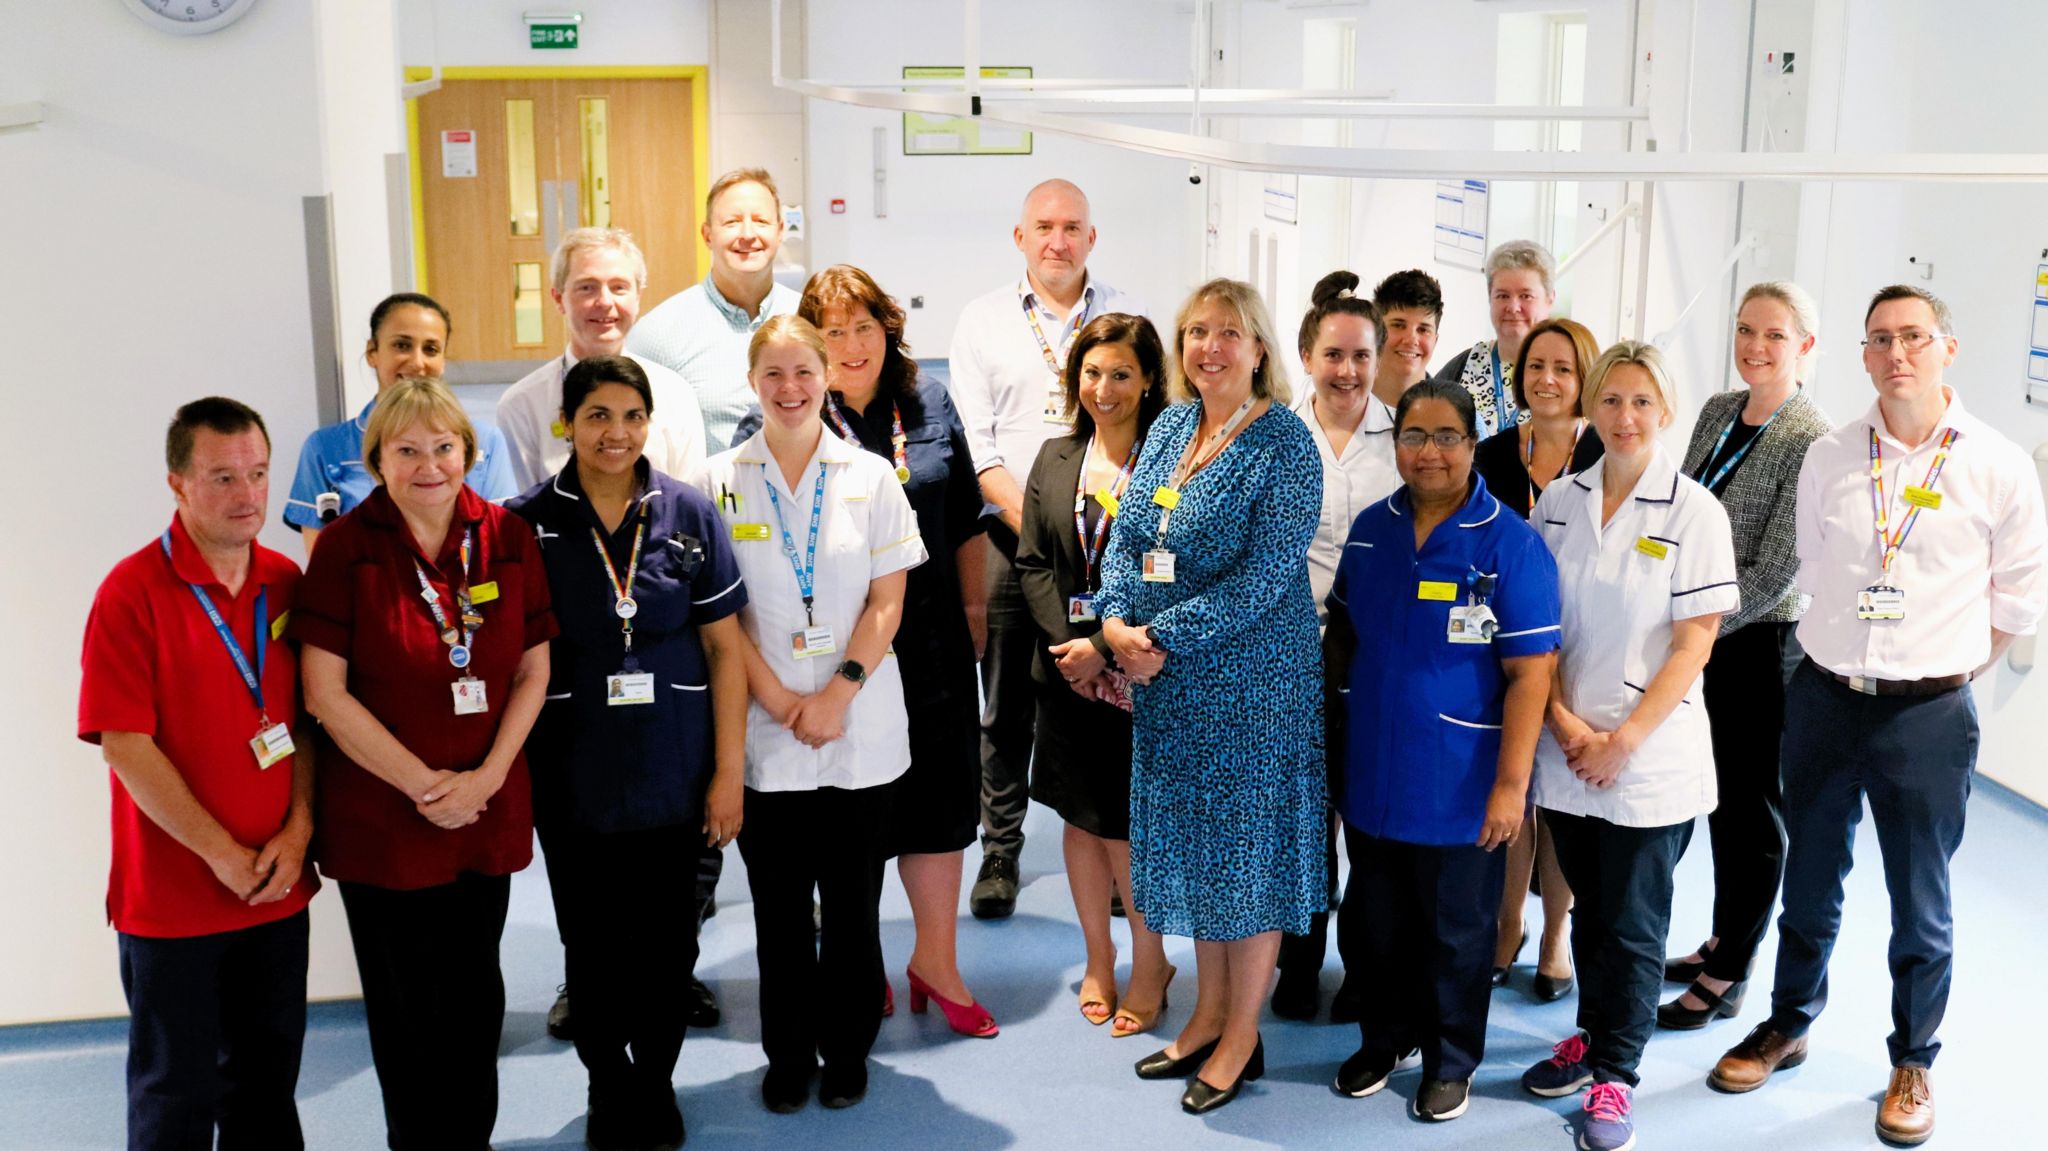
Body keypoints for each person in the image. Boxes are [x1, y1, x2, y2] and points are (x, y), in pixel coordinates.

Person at [1708, 286, 2048, 1146]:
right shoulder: (1829, 454)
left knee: (1920, 901)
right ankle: (1787, 1023)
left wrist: (1944, 666)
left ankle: (1912, 1057)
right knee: (1811, 883)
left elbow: (2018, 600)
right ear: (1861, 355)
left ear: (1948, 347)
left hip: (1928, 716)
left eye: (1915, 337)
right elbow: (1815, 573)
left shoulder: (1997, 464)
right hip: (1823, 699)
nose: (1898, 354)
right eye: (1882, 340)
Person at [292, 377, 555, 1151]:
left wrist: (484, 779)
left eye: (444, 447)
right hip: (384, 823)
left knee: (476, 994)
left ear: (469, 455)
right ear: (377, 461)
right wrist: (423, 784)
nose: (429, 464)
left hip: (484, 812)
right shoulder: (346, 547)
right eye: (407, 450)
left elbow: (533, 671)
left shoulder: (506, 536)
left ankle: (470, 1141)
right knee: (405, 1007)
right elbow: (323, 691)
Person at [735, 266, 996, 1036]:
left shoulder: (928, 403)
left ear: (890, 332)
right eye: (833, 332)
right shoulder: (793, 414)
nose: (851, 346)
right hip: (834, 653)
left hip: (934, 638)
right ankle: (862, 960)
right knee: (855, 812)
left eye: (865, 328)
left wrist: (976, 615)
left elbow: (966, 518)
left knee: (941, 805)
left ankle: (936, 962)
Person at [1094, 279, 1325, 1115]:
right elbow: (1127, 536)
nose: (1210, 348)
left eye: (1229, 332)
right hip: (1170, 686)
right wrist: (1115, 619)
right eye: (1196, 332)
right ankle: (1205, 1015)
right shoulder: (1167, 426)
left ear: (1260, 348)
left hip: (1254, 683)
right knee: (1196, 851)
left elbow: (1265, 578)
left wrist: (1155, 641)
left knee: (1246, 859)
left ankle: (1241, 1037)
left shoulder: (1286, 445)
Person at [507, 355, 749, 1150]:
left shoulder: (686, 512)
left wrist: (727, 774)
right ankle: (608, 1079)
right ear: (566, 425)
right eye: (597, 416)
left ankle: (656, 1080)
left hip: (674, 769)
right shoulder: (526, 523)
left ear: (651, 423)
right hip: (572, 771)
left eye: (631, 416)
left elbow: (724, 651)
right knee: (592, 944)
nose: (616, 433)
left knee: (669, 943)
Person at [690, 316, 926, 1113]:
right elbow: (721, 618)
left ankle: (848, 1046)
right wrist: (780, 696)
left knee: (856, 904)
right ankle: (788, 1051)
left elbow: (889, 600)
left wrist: (838, 691)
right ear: (751, 383)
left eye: (803, 373)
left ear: (827, 377)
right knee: (779, 910)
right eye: (773, 375)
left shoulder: (870, 476)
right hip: (765, 728)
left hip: (858, 726)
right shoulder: (718, 481)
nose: (789, 390)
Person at [80, 398, 318, 1151]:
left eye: (257, 473)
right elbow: (126, 745)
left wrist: (300, 827)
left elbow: (308, 724)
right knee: (174, 1094)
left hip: (277, 890)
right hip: (175, 902)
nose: (248, 495)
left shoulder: (286, 581)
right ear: (178, 483)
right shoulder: (131, 592)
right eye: (222, 476)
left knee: (268, 1089)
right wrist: (219, 852)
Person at [1520, 341, 1738, 1151]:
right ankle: (1591, 1033)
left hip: (1651, 757)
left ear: (1667, 409)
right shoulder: (1558, 500)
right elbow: (1538, 628)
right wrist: (1570, 727)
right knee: (1588, 911)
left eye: (1642, 401)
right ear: (1591, 407)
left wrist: (1623, 740)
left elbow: (1694, 643)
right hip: (1568, 747)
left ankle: (1616, 1075)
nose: (1624, 417)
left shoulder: (1694, 512)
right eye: (1611, 400)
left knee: (1636, 922)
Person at [1325, 380, 1561, 1121]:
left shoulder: (1511, 542)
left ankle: (1450, 1057)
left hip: (1462, 778)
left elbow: (1531, 674)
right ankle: (1385, 1037)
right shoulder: (1370, 531)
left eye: (1447, 437)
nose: (1429, 452)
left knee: (1458, 933)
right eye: (1414, 436)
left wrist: (1510, 786)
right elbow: (1343, 638)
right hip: (1373, 769)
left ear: (1471, 443)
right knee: (1375, 922)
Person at [948, 179, 1144, 919]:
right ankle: (1000, 848)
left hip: (1112, 550)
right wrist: (1042, 525)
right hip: (1013, 542)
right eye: (1043, 227)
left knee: (1112, 697)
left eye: (1071, 227)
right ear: (1020, 237)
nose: (1057, 240)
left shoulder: (1127, 315)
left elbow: (1151, 421)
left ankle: (1117, 844)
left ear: (1091, 238)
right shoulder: (982, 321)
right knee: (1005, 705)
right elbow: (978, 443)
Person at [1658, 284, 1832, 1031]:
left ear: (1805, 348)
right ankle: (1722, 937)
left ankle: (1730, 969)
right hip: (1692, 635)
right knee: (1706, 797)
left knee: (1749, 814)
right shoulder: (1717, 410)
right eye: (1744, 329)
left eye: (1774, 334)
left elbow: (1778, 571)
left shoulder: (1810, 436)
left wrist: (1696, 624)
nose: (1755, 345)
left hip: (1754, 645)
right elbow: (1682, 509)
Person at [1015, 312, 1175, 1037]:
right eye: (1091, 372)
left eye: (1120, 374)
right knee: (1080, 822)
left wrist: (1105, 650)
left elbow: (1174, 574)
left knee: (1130, 829)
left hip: (1141, 676)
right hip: (1066, 676)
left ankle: (1151, 962)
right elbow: (1035, 563)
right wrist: (1070, 647)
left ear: (1147, 382)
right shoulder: (1054, 458)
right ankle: (1098, 959)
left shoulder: (1174, 467)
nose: (1103, 388)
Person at [1271, 271, 1402, 1024]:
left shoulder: (1405, 436)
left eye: (1360, 355)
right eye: (1332, 354)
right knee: (1301, 819)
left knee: (1370, 822)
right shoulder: (1276, 435)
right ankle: (1298, 956)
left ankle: (1363, 963)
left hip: (1378, 661)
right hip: (1289, 657)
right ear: (1305, 353)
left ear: (1378, 357)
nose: (1347, 370)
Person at [1471, 316, 1605, 1002]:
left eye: (1562, 368)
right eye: (1535, 367)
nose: (1547, 380)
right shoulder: (1493, 452)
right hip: (1498, 639)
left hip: (1578, 642)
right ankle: (1508, 920)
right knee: (1513, 789)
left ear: (1585, 378)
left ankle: (1556, 932)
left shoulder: (1606, 452)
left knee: (1557, 800)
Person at [284, 293, 519, 553]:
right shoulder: (325, 448)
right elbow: (323, 565)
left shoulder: (486, 441)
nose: (417, 363)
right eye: (402, 346)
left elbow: (499, 545)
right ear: (372, 352)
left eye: (430, 349)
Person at [496, 227, 707, 490]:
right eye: (587, 288)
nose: (605, 301)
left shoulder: (675, 395)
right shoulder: (523, 405)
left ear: (638, 297)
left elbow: (689, 506)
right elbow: (519, 516)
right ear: (558, 298)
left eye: (619, 287)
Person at [628, 167, 799, 455]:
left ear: (780, 231)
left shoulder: (809, 318)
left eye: (760, 221)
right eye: (731, 222)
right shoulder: (657, 334)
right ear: (707, 235)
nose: (748, 234)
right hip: (707, 497)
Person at [1433, 240, 1558, 440]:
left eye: (1526, 296)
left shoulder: (1567, 374)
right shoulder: (1463, 368)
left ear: (1550, 299)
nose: (1513, 307)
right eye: (1502, 296)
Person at [1370, 268, 1444, 403]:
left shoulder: (1457, 415)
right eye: (1398, 325)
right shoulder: (1339, 408)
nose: (1411, 340)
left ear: (1435, 340)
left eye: (1423, 329)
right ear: (1374, 332)